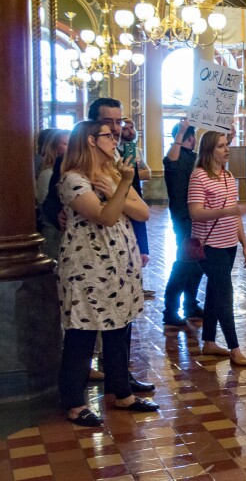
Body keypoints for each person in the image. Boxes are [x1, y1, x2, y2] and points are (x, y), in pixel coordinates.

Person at [56, 120, 159, 427]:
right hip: (86, 267)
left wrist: (117, 186)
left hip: (118, 267)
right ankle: (74, 402)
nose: (115, 140)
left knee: (119, 328)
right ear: (90, 141)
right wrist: (123, 189)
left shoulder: (111, 174)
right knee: (82, 333)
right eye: (108, 135)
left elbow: (143, 212)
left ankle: (122, 392)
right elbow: (106, 216)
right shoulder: (73, 180)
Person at [88, 98, 155, 393]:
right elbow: (54, 199)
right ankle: (97, 374)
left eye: (119, 121)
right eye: (109, 123)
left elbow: (138, 207)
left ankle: (121, 376)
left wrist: (143, 246)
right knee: (96, 323)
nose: (117, 129)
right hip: (93, 254)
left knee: (123, 317)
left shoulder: (121, 159)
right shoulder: (80, 163)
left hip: (124, 248)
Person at [188, 131, 246, 366]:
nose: (226, 150)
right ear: (209, 150)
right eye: (221, 146)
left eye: (227, 145)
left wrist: (243, 242)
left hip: (228, 244)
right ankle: (235, 347)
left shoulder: (227, 175)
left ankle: (209, 342)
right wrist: (226, 212)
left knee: (215, 291)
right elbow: (195, 212)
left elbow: (235, 215)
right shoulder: (199, 176)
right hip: (209, 245)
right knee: (225, 294)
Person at [162, 118, 206, 327]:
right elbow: (169, 161)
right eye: (193, 136)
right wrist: (180, 134)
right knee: (184, 264)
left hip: (198, 217)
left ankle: (190, 305)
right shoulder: (175, 156)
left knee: (196, 264)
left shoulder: (195, 158)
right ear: (190, 137)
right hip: (183, 217)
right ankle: (170, 310)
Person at [35, 129, 69, 259]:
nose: (70, 147)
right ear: (54, 147)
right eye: (65, 144)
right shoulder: (48, 173)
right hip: (54, 232)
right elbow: (46, 204)